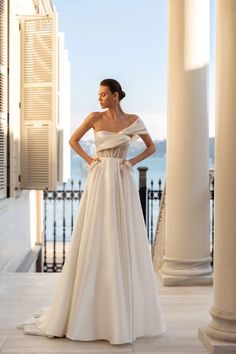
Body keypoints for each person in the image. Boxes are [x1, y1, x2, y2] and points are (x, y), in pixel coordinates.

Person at [18, 78, 167, 345]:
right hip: (100, 178)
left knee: (122, 237)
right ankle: (88, 309)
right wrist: (90, 161)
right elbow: (74, 141)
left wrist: (130, 162)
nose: (99, 98)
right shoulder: (94, 118)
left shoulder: (133, 119)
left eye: (103, 94)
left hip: (121, 180)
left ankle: (121, 312)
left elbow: (151, 147)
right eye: (98, 94)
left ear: (116, 95)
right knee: (97, 233)